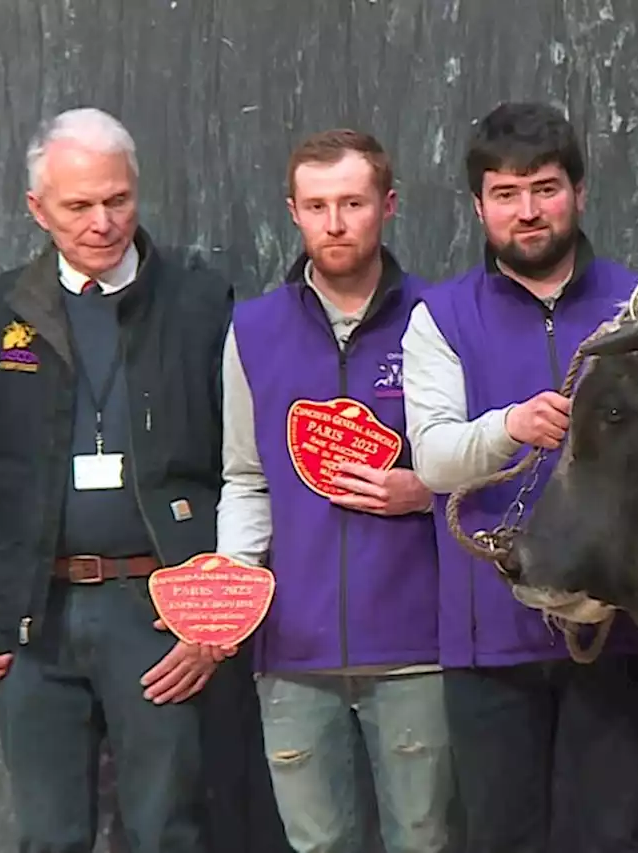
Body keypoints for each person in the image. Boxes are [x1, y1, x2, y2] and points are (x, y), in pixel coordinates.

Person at [0, 106, 276, 853]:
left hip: (158, 613)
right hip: (32, 618)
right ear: (37, 209)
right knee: (49, 834)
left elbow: (246, 469)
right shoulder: (6, 307)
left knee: (169, 830)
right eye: (78, 205)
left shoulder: (198, 297)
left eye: (117, 199)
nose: (102, 222)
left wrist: (213, 616)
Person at [401, 101, 638, 852]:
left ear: (579, 193)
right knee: (501, 839)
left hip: (619, 628)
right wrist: (509, 428)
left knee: (619, 836)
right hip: (490, 637)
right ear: (479, 205)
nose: (528, 211)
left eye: (545, 188)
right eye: (507, 194)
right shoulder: (441, 316)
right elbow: (433, 458)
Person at [216, 128, 453, 853]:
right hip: (293, 649)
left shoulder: (440, 318)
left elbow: (484, 471)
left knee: (427, 840)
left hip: (418, 644)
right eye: (317, 205)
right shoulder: (252, 330)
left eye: (352, 202)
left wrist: (427, 489)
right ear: (293, 210)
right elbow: (244, 478)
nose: (336, 222)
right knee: (317, 845)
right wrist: (234, 583)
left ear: (389, 204)